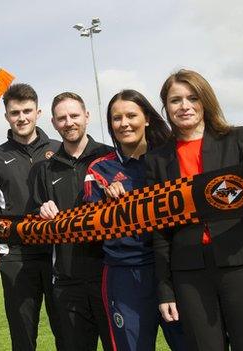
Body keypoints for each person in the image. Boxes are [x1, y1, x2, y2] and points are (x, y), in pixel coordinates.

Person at [146, 69, 243, 351]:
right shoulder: (156, 159)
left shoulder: (236, 138)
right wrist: (165, 289)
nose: (184, 106)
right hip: (189, 273)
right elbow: (158, 231)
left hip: (242, 262)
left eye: (192, 97)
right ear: (165, 107)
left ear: (205, 100)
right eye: (175, 100)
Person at [82, 90, 186, 350]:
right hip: (125, 274)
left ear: (147, 119)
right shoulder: (99, 170)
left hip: (177, 269)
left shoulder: (171, 157)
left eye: (131, 115)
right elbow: (89, 224)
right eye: (117, 118)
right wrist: (106, 205)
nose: (124, 123)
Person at [0, 83, 62, 351]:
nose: (21, 118)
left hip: (60, 254)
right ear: (6, 116)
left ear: (38, 112)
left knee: (68, 331)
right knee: (22, 337)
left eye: (27, 111)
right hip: (17, 258)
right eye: (15, 113)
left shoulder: (59, 149)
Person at [34, 92, 113, 351]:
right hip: (68, 282)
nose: (69, 122)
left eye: (74, 115)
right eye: (62, 118)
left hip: (110, 276)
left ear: (87, 116)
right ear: (54, 124)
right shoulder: (45, 169)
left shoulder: (110, 158)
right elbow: (35, 222)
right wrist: (41, 211)